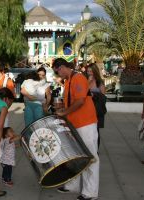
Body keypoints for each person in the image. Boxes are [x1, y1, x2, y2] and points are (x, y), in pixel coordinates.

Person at [52, 58, 99, 200]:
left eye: (57, 71)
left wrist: (64, 112)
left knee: (90, 157)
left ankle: (90, 192)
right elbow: (72, 102)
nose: (57, 75)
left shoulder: (78, 78)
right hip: (75, 124)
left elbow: (80, 101)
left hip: (85, 124)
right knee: (74, 156)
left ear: (61, 68)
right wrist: (62, 108)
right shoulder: (69, 80)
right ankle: (73, 185)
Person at [87, 63, 107, 148]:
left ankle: (96, 149)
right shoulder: (86, 80)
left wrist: (94, 95)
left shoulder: (99, 82)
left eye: (91, 71)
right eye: (88, 71)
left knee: (95, 130)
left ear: (95, 71)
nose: (89, 73)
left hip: (96, 109)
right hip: (87, 109)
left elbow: (103, 97)